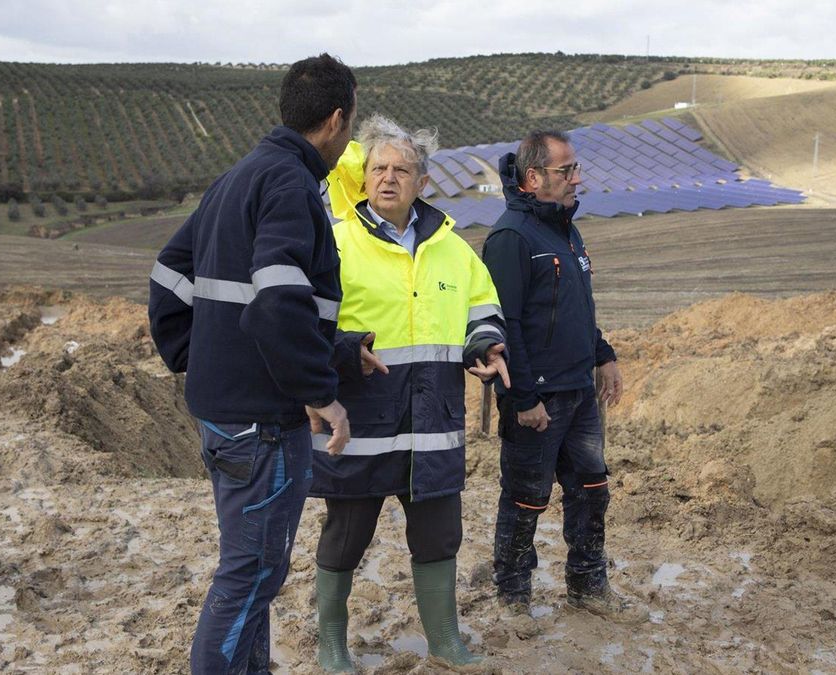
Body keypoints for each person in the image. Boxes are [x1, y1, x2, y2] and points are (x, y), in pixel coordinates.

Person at [148, 53, 358, 674]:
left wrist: (200, 359)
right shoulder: (289, 184)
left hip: (222, 411)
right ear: (337, 120)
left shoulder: (239, 176)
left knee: (252, 568)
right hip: (263, 422)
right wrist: (322, 392)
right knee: (249, 574)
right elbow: (275, 303)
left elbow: (167, 279)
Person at [311, 113, 509, 670]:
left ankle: (445, 641)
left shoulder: (452, 247)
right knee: (346, 535)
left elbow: (482, 306)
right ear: (365, 177)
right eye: (379, 168)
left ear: (423, 182)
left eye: (402, 169)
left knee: (439, 534)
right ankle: (331, 644)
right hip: (363, 420)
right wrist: (343, 349)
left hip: (434, 419)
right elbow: (302, 322)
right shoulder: (335, 243)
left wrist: (486, 345)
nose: (389, 178)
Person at [482, 130, 646, 622]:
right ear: (533, 179)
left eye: (575, 169)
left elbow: (578, 306)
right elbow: (504, 326)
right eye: (566, 171)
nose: (578, 178)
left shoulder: (566, 231)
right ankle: (513, 599)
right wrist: (522, 397)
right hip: (537, 401)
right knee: (526, 500)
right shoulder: (511, 238)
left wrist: (604, 354)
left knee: (592, 492)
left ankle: (588, 587)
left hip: (579, 395)